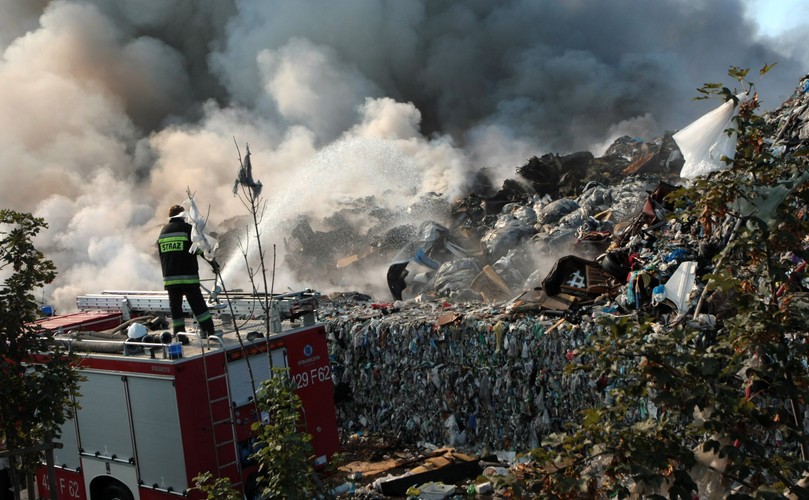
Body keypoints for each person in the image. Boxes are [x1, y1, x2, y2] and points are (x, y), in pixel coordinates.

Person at [157, 205, 219, 344]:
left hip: (170, 280)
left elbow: (162, 255)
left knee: (176, 311)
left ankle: (180, 337)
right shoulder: (187, 229)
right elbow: (201, 250)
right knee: (199, 308)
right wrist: (213, 263)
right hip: (188, 278)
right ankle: (210, 333)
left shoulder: (163, 232)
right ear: (183, 216)